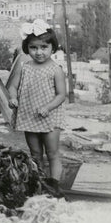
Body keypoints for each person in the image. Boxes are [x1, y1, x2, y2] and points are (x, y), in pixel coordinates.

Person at [8, 19, 66, 193]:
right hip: (29, 115)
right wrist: (12, 97)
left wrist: (48, 107)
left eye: (44, 47)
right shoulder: (24, 67)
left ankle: (54, 186)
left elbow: (61, 95)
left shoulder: (56, 69)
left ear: (52, 48)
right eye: (33, 48)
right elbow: (12, 86)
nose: (39, 52)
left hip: (50, 117)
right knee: (35, 154)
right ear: (27, 49)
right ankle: (38, 184)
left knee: (52, 153)